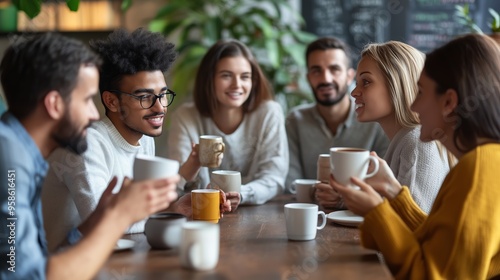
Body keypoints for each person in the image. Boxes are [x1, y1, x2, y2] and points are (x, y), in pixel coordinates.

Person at [0, 33, 179, 279]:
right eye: (86, 100)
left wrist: (96, 222)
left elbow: (37, 262)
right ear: (54, 104)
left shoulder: (21, 152)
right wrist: (120, 216)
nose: (95, 114)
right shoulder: (9, 158)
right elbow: (26, 275)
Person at [331, 34, 500, 279]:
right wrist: (394, 194)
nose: (414, 106)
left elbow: (430, 274)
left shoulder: (478, 170)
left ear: (449, 102)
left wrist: (378, 212)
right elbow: (439, 243)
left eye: (420, 93)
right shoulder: (483, 161)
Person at [317, 41, 452, 213]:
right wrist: (343, 200)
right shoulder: (405, 139)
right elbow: (395, 211)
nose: (354, 92)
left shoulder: (416, 143)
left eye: (365, 82)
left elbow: (413, 228)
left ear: (397, 84)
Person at [167, 39, 288, 206]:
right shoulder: (186, 117)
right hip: (200, 213)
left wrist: (241, 194)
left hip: (254, 217)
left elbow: (274, 178)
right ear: (209, 79)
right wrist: (192, 165)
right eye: (226, 76)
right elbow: (176, 189)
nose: (237, 85)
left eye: (245, 77)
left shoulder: (269, 113)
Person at [285, 37, 389, 197]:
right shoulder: (295, 120)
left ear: (349, 77)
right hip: (310, 211)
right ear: (308, 78)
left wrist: (340, 196)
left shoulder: (375, 121)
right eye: (316, 71)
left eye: (334, 69)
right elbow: (291, 182)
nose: (325, 79)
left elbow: (385, 182)